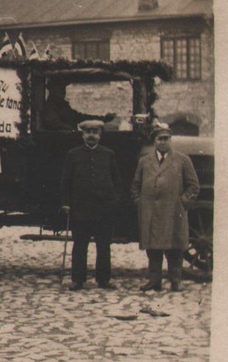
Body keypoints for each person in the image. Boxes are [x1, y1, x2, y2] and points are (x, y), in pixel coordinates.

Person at [131, 125, 200, 292]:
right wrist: (139, 201)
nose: (163, 142)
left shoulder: (183, 160)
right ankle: (154, 281)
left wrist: (182, 202)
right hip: (150, 212)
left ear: (171, 140)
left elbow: (193, 186)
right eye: (159, 139)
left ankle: (175, 280)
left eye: (166, 139)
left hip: (173, 212)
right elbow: (135, 185)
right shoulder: (145, 161)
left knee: (175, 248)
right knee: (153, 249)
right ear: (154, 142)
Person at [60, 119, 122, 290]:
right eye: (88, 133)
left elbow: (117, 181)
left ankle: (104, 279)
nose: (91, 136)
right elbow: (65, 182)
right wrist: (66, 203)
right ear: (83, 135)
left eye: (95, 133)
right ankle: (77, 279)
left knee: (103, 246)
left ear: (100, 135)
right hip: (81, 209)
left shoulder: (108, 154)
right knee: (80, 245)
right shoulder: (73, 155)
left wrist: (113, 201)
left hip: (103, 209)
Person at [42, 80, 115, 131]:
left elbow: (78, 117)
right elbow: (53, 123)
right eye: (60, 88)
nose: (63, 91)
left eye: (63, 88)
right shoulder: (50, 106)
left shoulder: (62, 105)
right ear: (53, 89)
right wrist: (72, 130)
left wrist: (102, 119)